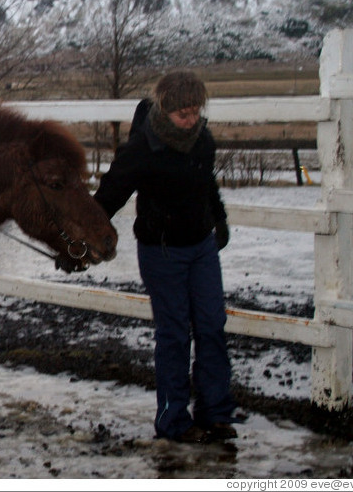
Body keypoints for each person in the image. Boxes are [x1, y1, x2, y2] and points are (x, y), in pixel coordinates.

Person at [61, 70, 238, 443]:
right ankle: (173, 422)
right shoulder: (142, 149)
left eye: (195, 112)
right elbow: (108, 197)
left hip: (201, 247)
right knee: (174, 334)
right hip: (162, 251)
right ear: (165, 109)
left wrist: (218, 218)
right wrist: (74, 240)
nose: (191, 121)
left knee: (211, 326)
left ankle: (216, 413)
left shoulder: (203, 140)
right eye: (183, 115)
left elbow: (207, 183)